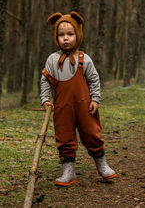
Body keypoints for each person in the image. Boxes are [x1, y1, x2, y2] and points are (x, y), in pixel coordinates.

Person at [40, 11, 116, 187]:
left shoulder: (84, 59)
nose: (66, 38)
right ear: (56, 37)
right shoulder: (52, 60)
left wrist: (95, 99)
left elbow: (94, 80)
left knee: (92, 134)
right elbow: (45, 80)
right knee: (64, 137)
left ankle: (102, 165)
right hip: (62, 108)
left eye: (70, 34)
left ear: (78, 35)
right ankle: (68, 172)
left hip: (84, 107)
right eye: (61, 35)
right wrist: (45, 99)